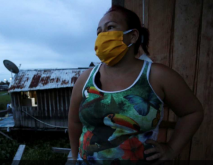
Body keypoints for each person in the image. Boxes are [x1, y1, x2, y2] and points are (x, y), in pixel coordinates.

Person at [68, 5, 203, 165]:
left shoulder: (157, 76)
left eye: (110, 27)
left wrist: (171, 149)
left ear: (132, 36)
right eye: (99, 32)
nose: (103, 36)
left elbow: (192, 112)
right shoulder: (85, 79)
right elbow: (74, 122)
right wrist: (74, 157)